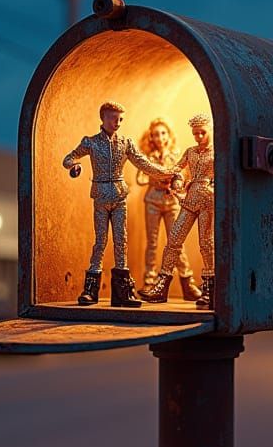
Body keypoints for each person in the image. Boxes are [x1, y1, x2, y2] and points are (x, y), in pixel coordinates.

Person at [63, 101, 169, 307]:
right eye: (113, 118)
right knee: (100, 241)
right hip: (101, 197)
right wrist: (73, 165)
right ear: (103, 118)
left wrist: (164, 172)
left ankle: (122, 292)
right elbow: (69, 157)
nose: (117, 123)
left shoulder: (125, 143)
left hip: (120, 197)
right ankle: (91, 290)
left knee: (121, 241)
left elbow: (142, 162)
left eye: (120, 119)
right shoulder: (91, 142)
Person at [138, 113, 215, 309]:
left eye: (202, 133)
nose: (198, 137)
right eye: (195, 133)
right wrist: (177, 180)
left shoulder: (217, 153)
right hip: (189, 200)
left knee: (206, 243)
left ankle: (209, 288)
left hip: (208, 200)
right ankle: (162, 285)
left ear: (211, 132)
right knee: (174, 239)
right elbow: (178, 169)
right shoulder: (190, 152)